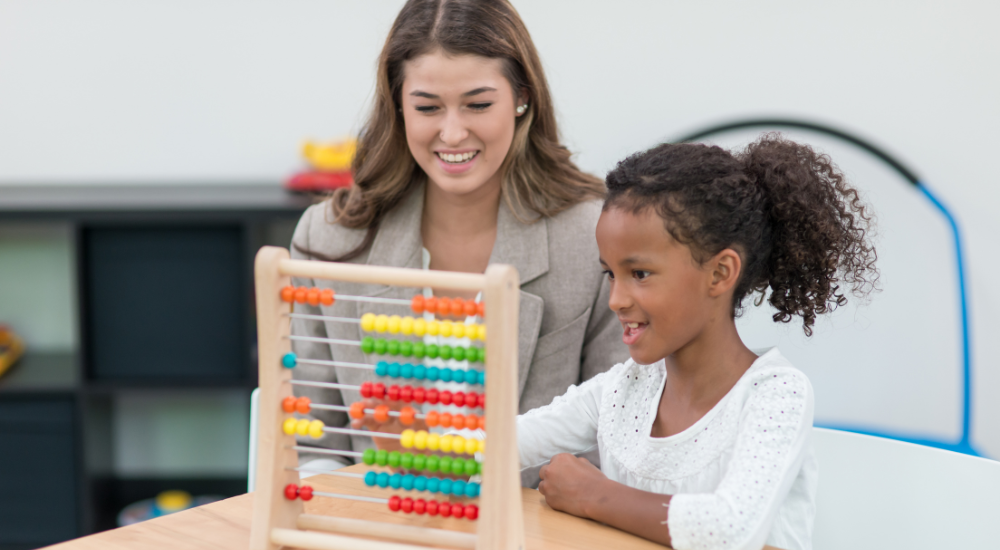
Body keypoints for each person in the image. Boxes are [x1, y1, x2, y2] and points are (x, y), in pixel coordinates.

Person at [288, 0, 628, 479]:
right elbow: (309, 440)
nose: (452, 132)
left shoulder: (590, 238)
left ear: (522, 97)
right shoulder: (330, 239)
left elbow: (621, 442)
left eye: (478, 104)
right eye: (427, 107)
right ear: (398, 105)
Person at [517, 135, 879, 550]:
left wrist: (595, 496)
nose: (616, 299)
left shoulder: (776, 396)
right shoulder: (622, 390)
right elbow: (503, 443)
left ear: (720, 273)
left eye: (640, 274)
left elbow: (728, 531)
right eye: (610, 275)